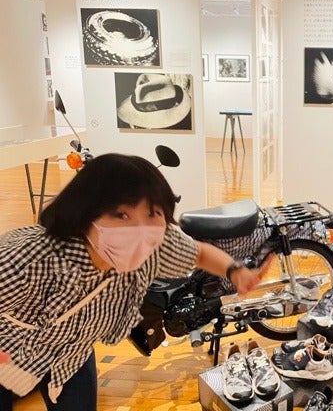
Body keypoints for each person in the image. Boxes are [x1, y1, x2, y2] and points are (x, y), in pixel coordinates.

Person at [0, 153, 270, 410]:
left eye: (153, 213)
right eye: (122, 214)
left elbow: (198, 253)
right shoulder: (31, 260)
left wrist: (235, 271)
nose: (140, 229)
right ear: (85, 212)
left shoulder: (158, 243)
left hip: (71, 353)